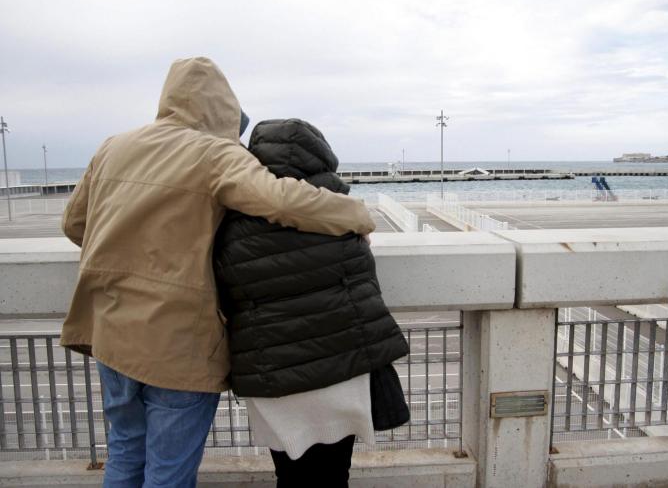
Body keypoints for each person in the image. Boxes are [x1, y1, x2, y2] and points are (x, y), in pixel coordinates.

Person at [60, 57, 375, 488]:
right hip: (176, 346)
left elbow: (74, 224)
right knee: (167, 474)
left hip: (111, 334)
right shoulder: (214, 153)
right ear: (223, 108)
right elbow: (282, 201)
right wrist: (355, 214)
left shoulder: (114, 146)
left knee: (126, 454)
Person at [214, 118, 410, 487]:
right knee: (336, 474)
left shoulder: (230, 222)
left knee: (289, 476)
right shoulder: (341, 213)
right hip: (343, 369)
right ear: (321, 156)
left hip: (273, 374)